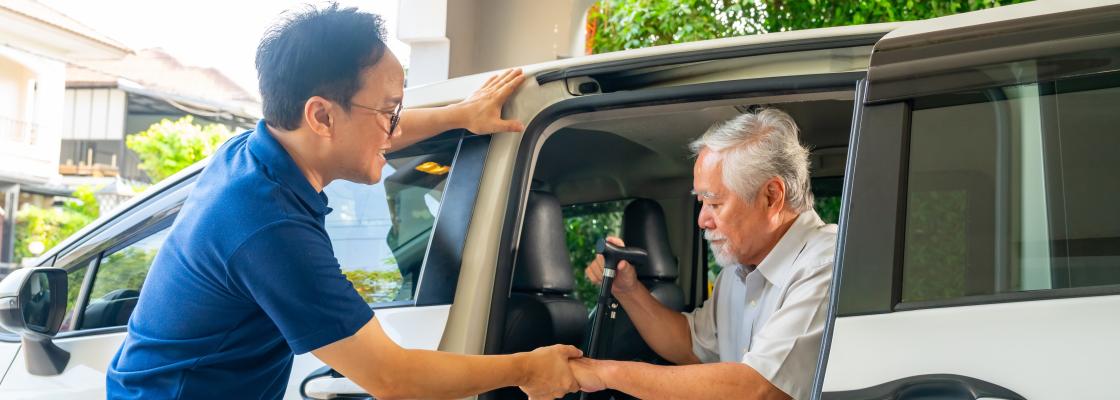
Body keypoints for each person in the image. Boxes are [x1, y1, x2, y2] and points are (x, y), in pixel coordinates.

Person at [106, 4, 581, 400]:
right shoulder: (268, 227)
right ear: (321, 116)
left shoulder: (252, 155)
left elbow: (374, 133)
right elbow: (391, 377)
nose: (394, 126)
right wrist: (528, 369)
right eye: (388, 110)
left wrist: (460, 115)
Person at [572, 108, 837, 400]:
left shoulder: (825, 266)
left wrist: (601, 374)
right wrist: (627, 289)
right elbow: (690, 345)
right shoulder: (736, 273)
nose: (702, 220)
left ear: (771, 196)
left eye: (714, 203)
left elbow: (759, 389)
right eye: (701, 203)